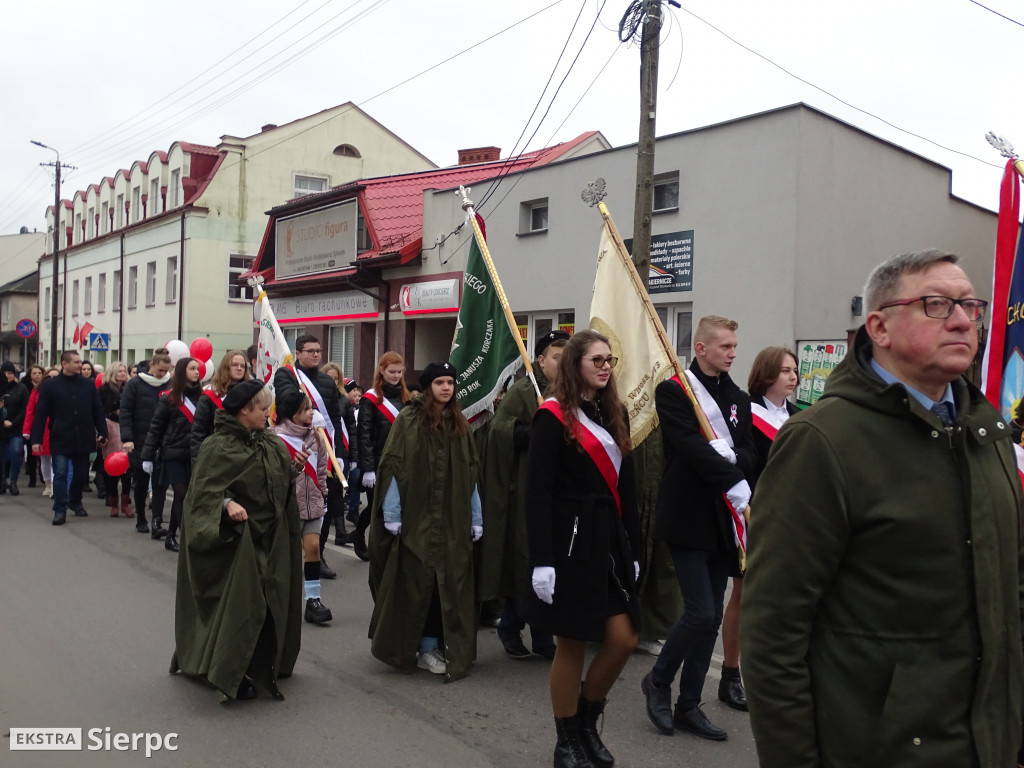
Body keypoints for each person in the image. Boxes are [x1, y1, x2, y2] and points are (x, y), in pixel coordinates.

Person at [742, 249, 1024, 767]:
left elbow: (1012, 591)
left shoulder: (987, 432)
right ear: (880, 327)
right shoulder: (823, 440)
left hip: (988, 743)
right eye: (937, 304)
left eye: (970, 306)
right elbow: (773, 632)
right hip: (880, 747)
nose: (963, 320)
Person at [524, 330, 641, 768]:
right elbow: (537, 494)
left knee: (624, 638)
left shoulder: (615, 414)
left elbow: (625, 490)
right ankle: (566, 739)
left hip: (607, 541)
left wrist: (633, 546)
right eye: (596, 359)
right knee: (570, 643)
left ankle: (588, 719)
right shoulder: (553, 418)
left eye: (609, 359)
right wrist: (542, 561)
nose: (605, 366)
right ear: (576, 365)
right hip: (568, 544)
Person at [640, 315, 756, 742]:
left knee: (707, 622)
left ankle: (689, 704)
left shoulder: (738, 399)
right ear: (702, 348)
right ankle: (657, 680)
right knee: (702, 611)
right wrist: (728, 468)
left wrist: (734, 460)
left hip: (721, 518)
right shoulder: (674, 392)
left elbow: (748, 451)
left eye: (734, 346)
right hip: (687, 515)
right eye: (725, 346)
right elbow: (687, 447)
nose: (733, 352)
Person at [170, 379, 302, 702]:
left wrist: (292, 471)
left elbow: (272, 481)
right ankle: (230, 670)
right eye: (262, 409)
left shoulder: (269, 443)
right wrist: (226, 504)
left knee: (269, 600)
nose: (268, 415)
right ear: (244, 410)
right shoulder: (218, 447)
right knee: (243, 604)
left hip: (269, 538)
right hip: (235, 543)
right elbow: (203, 495)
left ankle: (259, 662)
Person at [367, 361, 481, 680]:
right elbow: (394, 467)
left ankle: (435, 645)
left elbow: (471, 472)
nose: (446, 388)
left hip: (451, 520)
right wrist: (392, 514)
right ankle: (417, 647)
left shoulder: (460, 424)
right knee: (418, 584)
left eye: (450, 382)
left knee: (446, 586)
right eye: (439, 382)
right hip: (416, 519)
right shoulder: (409, 420)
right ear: (428, 386)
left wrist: (476, 517)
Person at [479, 330, 568, 661]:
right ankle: (512, 626)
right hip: (526, 489)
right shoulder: (523, 391)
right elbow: (499, 432)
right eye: (557, 358)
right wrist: (535, 433)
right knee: (527, 563)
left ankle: (544, 634)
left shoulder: (569, 392)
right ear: (542, 360)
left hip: (559, 489)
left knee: (553, 564)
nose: (562, 364)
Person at [273, 335, 350, 580]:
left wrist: (339, 453)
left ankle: (320, 553)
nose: (315, 355)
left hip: (323, 447)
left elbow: (335, 419)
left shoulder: (327, 382)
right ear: (298, 353)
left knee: (323, 503)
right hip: (293, 442)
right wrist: (304, 402)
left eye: (318, 351)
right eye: (310, 351)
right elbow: (285, 400)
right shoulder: (287, 375)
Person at [272, 390, 332, 625]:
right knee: (287, 556)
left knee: (314, 548)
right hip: (289, 505)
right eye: (306, 409)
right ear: (292, 412)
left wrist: (324, 494)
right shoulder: (274, 438)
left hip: (313, 503)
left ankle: (314, 600)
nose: (311, 413)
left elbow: (321, 470)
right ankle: (283, 599)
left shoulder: (316, 438)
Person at [30, 351, 108, 525]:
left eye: (80, 361)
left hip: (83, 436)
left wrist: (103, 431)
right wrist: (36, 440)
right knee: (60, 473)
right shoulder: (51, 386)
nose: (80, 365)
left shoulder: (88, 385)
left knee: (81, 475)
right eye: (76, 362)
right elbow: (41, 414)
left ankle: (74, 499)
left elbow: (97, 410)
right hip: (60, 437)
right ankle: (59, 509)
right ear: (64, 364)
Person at [353, 351, 410, 560]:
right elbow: (364, 435)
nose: (396, 376)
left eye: (399, 372)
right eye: (391, 371)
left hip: (402, 460)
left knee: (398, 505)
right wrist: (367, 469)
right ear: (382, 371)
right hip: (378, 461)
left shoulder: (406, 397)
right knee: (377, 507)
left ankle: (391, 546)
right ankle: (359, 535)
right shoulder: (371, 399)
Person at [141, 357, 202, 552]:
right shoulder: (169, 398)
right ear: (183, 371)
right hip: (172, 453)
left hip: (193, 454)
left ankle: (171, 535)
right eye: (192, 368)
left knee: (185, 496)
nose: (196, 372)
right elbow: (156, 427)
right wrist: (147, 456)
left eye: (198, 368)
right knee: (181, 493)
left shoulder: (203, 397)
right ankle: (183, 536)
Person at [120, 349, 171, 537]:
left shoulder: (170, 384)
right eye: (160, 370)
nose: (163, 374)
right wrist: (127, 438)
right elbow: (125, 412)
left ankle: (156, 520)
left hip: (163, 441)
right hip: (140, 440)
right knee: (141, 481)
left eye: (166, 371)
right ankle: (141, 518)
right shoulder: (135, 384)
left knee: (160, 483)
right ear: (152, 365)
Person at [322, 361, 358, 546]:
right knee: (327, 492)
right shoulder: (317, 398)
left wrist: (353, 457)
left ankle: (341, 531)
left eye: (336, 378)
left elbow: (351, 428)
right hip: (324, 452)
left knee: (338, 492)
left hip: (342, 452)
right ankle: (326, 530)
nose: (333, 381)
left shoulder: (345, 400)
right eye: (329, 377)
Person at [190, 350, 248, 461]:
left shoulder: (251, 395)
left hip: (244, 456)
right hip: (216, 457)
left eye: (243, 366)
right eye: (235, 365)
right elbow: (198, 433)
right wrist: (197, 463)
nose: (239, 368)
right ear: (226, 367)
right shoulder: (209, 397)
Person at [99, 360, 133, 517]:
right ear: (112, 373)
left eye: (124, 370)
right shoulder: (104, 390)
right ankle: (113, 501)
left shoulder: (130, 388)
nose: (123, 373)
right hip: (110, 427)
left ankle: (125, 502)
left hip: (127, 427)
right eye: (119, 371)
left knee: (127, 468)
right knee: (111, 466)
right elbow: (99, 410)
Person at [0, 360, 29, 495]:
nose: (7, 375)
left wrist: (13, 422)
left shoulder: (21, 388)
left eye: (10, 373)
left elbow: (25, 409)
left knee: (16, 451)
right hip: (1, 428)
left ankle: (13, 482)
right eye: (4, 373)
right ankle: (2, 481)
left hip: (15, 428)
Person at [25, 368, 54, 498]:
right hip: (42, 429)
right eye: (50, 377)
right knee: (44, 458)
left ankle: (55, 485)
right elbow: (30, 412)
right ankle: (48, 485)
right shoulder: (36, 392)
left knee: (57, 459)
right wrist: (27, 430)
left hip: (58, 428)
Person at [22, 364, 45, 489]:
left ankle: (43, 475)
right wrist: (26, 430)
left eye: (39, 373)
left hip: (44, 425)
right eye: (34, 373)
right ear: (30, 375)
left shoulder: (46, 388)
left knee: (44, 453)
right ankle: (32, 476)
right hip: (33, 425)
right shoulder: (27, 387)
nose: (37, 375)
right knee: (32, 453)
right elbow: (29, 411)